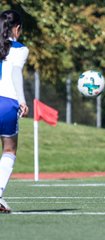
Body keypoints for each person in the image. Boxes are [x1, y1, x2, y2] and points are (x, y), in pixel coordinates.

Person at [0, 10, 29, 213]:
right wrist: (22, 100)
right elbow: (16, 72)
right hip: (7, 104)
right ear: (17, 29)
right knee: (9, 150)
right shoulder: (20, 49)